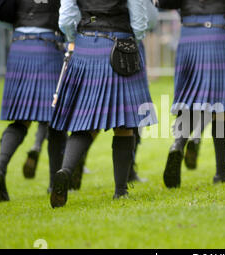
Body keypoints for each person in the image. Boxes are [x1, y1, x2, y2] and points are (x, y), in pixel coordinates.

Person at [49, 0, 157, 208]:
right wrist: (137, 35)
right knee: (125, 123)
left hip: (85, 45)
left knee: (84, 122)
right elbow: (138, 14)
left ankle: (65, 171)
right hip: (119, 43)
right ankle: (120, 191)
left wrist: (74, 38)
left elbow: (66, 15)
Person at [157, 0, 225, 188]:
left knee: (191, 99)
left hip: (189, 32)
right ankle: (221, 173)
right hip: (221, 29)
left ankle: (178, 144)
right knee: (221, 106)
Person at [0, 0, 65, 202]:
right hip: (49, 45)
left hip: (20, 45)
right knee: (55, 120)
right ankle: (54, 186)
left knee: (20, 120)